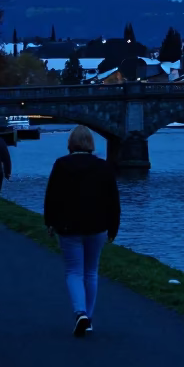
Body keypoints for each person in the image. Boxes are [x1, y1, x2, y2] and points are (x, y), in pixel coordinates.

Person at [43, 125, 120, 337]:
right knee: (91, 271)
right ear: (91, 144)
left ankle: (80, 313)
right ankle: (89, 318)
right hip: (97, 225)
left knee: (74, 271)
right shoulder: (103, 167)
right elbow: (113, 199)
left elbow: (52, 196)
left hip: (69, 226)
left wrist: (50, 221)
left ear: (71, 144)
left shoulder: (61, 165)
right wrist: (113, 227)